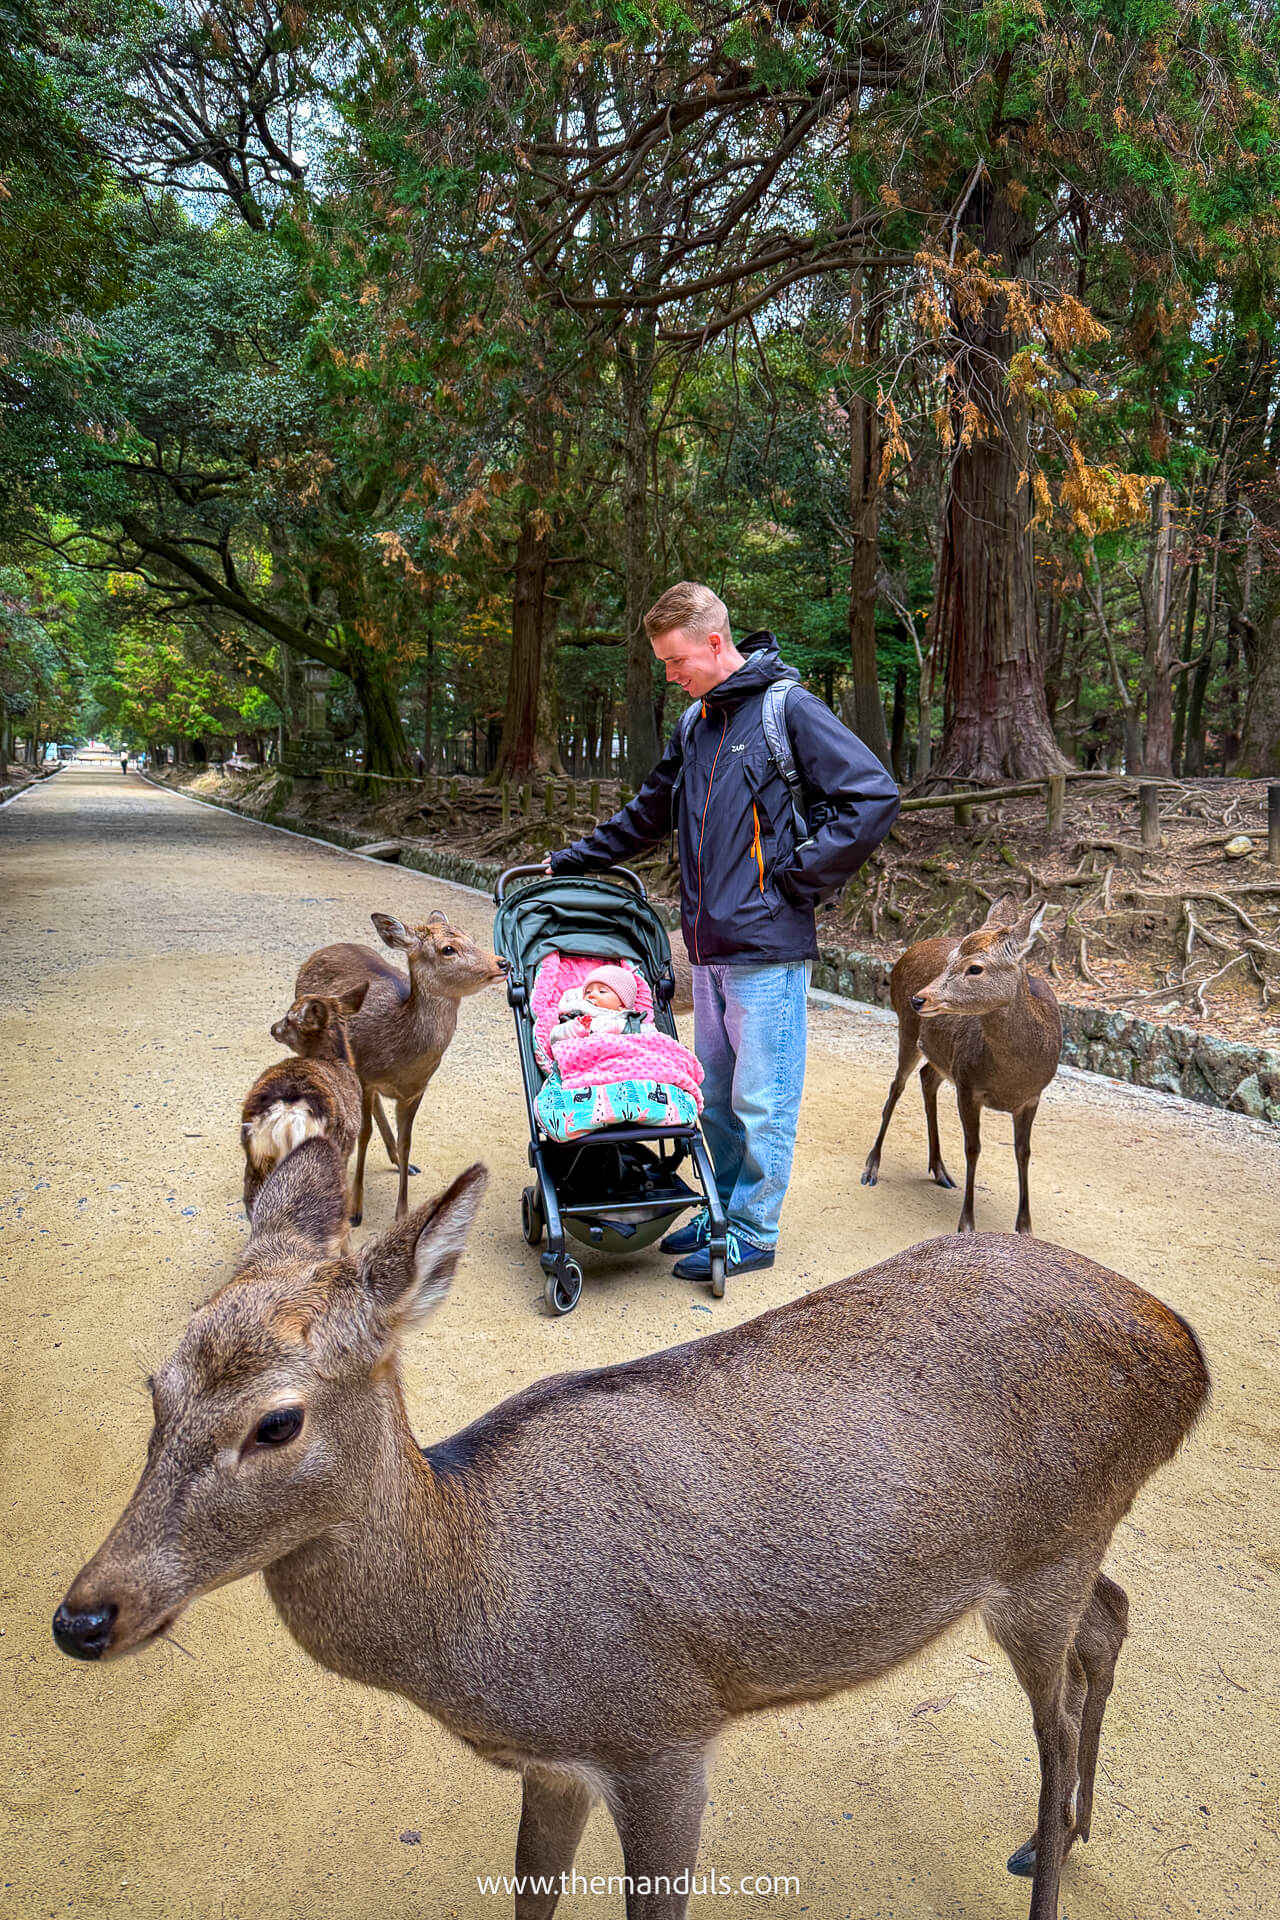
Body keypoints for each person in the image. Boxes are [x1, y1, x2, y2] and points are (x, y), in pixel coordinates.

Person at [546, 582, 899, 1282]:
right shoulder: (697, 723)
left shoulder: (786, 709)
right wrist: (570, 860)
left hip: (767, 950)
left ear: (715, 643)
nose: (670, 675)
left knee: (762, 1100)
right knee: (716, 1097)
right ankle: (718, 1209)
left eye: (677, 661)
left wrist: (795, 883)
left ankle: (754, 1230)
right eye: (662, 663)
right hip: (708, 949)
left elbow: (872, 796)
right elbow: (649, 811)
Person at [548, 965, 649, 1055]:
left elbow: (651, 1036)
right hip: (586, 1061)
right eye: (587, 992)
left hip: (623, 1061)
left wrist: (621, 1028)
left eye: (602, 991)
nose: (591, 995)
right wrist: (575, 1029)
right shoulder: (578, 1015)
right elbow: (554, 1038)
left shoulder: (629, 1020)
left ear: (622, 1005)